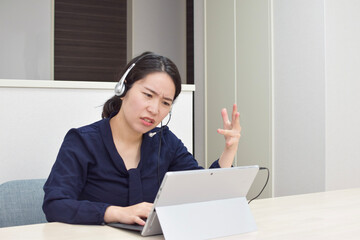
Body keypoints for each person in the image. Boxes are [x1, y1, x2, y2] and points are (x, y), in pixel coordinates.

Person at [42, 52, 241, 226]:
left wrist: (230, 150)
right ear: (123, 89)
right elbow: (55, 205)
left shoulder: (166, 143)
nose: (154, 110)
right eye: (148, 95)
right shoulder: (83, 141)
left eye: (165, 103)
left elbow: (203, 191)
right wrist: (116, 212)